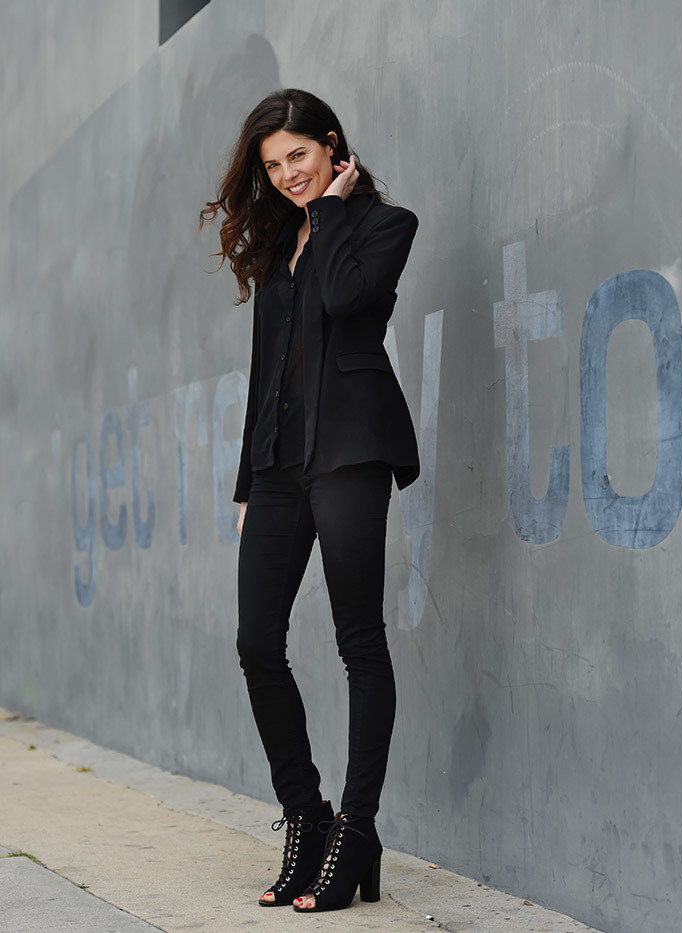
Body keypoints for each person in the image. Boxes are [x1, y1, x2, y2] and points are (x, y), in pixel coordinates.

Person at [200, 88, 419, 913]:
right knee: (257, 641)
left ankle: (357, 829)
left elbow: (344, 300)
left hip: (352, 452)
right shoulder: (275, 246)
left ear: (332, 146)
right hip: (280, 467)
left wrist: (327, 213)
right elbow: (265, 372)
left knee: (358, 640)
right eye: (274, 165)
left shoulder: (384, 226)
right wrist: (247, 483)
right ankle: (307, 814)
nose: (289, 174)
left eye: (299, 155)